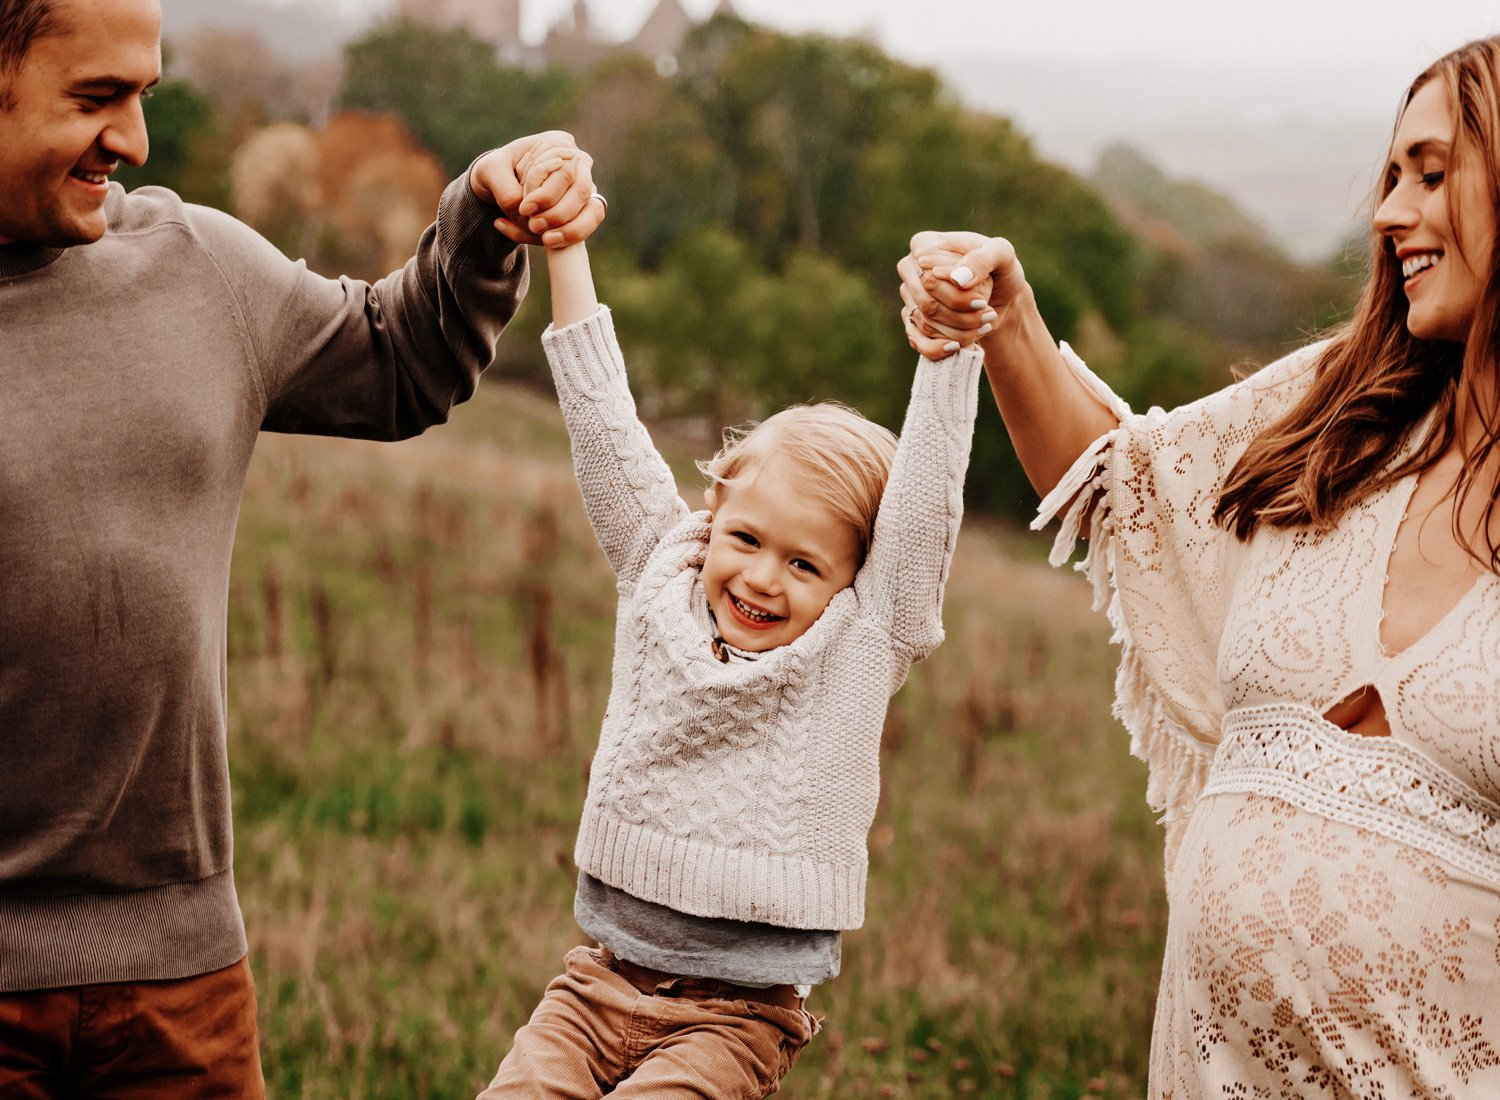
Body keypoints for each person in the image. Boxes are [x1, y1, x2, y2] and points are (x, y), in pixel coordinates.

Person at [0, 0, 603, 1094]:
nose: (134, 140)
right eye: (95, 99)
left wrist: (485, 209)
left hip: (178, 982)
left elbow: (396, 357)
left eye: (145, 95)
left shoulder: (195, 270)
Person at [899, 34, 1500, 1096]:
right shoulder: (1340, 409)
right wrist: (1008, 316)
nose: (1389, 213)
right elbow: (1123, 484)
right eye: (1391, 175)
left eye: (1432, 172)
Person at [475, 146, 984, 1098]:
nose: (760, 577)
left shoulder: (865, 640)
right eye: (745, 538)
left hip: (737, 1018)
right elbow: (600, 417)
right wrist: (568, 246)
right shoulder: (658, 569)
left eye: (804, 563)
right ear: (713, 512)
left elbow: (923, 511)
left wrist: (949, 350)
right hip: (595, 988)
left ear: (854, 579)